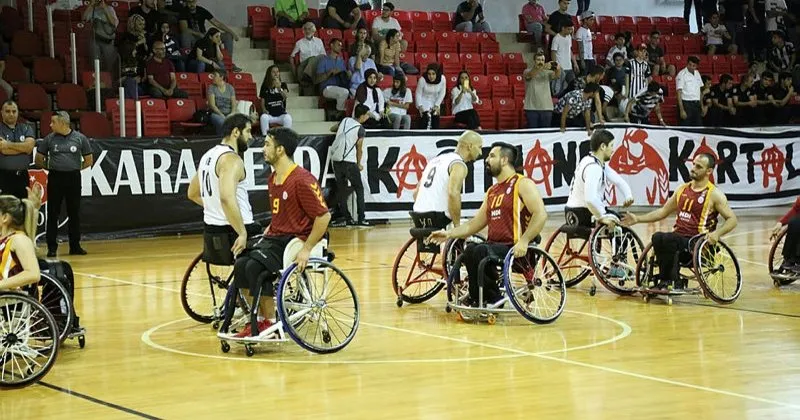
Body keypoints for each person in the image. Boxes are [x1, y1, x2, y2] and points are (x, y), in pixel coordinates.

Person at [226, 127, 331, 337]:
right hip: (277, 237)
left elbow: (324, 216)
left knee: (256, 268)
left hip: (297, 240)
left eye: (267, 145)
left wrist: (307, 248)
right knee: (241, 264)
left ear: (280, 150)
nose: (263, 149)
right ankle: (256, 319)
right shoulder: (273, 179)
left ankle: (270, 323)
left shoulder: (302, 180)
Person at [428, 142, 547, 307]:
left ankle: (493, 299)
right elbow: (475, 223)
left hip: (515, 247)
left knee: (482, 250)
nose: (486, 160)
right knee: (470, 249)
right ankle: (478, 298)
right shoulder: (492, 191)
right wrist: (449, 234)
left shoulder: (522, 183)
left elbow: (540, 214)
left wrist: (525, 240)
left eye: (492, 156)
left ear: (504, 160)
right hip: (495, 246)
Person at [622, 153, 738, 290]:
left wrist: (717, 234)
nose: (693, 168)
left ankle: (672, 281)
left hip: (697, 244)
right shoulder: (682, 189)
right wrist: (637, 219)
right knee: (657, 237)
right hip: (678, 241)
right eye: (693, 164)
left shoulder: (714, 194)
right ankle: (666, 279)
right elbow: (663, 212)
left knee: (670, 239)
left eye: (699, 166)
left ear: (709, 171)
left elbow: (732, 219)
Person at [187, 114, 262, 265]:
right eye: (247, 131)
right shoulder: (231, 160)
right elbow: (227, 198)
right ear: (236, 132)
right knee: (273, 254)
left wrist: (214, 206)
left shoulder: (208, 156)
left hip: (211, 229)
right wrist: (242, 232)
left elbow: (192, 193)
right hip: (234, 229)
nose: (251, 137)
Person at [34, 112, 94, 258]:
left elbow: (88, 160)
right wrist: (53, 167)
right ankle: (52, 247)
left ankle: (75, 246)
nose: (50, 125)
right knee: (53, 213)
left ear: (63, 123)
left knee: (74, 212)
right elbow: (39, 159)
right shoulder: (49, 139)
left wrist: (74, 168)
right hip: (55, 177)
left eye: (53, 122)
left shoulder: (80, 138)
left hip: (73, 178)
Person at [412, 130, 484, 230]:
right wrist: (457, 226)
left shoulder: (435, 160)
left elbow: (416, 192)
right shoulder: (458, 164)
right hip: (438, 217)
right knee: (468, 227)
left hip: (417, 216)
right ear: (470, 146)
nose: (480, 152)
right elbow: (453, 194)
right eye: (479, 147)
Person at [565, 130, 633, 230]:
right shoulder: (594, 168)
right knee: (622, 222)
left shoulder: (589, 160)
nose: (613, 150)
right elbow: (590, 199)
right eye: (611, 145)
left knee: (613, 215)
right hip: (584, 213)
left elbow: (618, 181)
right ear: (603, 147)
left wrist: (628, 195)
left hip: (570, 212)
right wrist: (601, 217)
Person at [329, 104, 371, 228]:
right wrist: (359, 164)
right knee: (359, 189)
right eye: (367, 114)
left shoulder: (345, 120)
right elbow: (359, 149)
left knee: (341, 190)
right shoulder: (360, 129)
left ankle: (347, 219)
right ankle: (361, 218)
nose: (368, 117)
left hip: (336, 160)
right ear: (362, 116)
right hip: (349, 162)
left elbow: (333, 129)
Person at [0, 184, 42, 291]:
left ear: (5, 218)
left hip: (9, 299)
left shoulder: (19, 240)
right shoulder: (4, 238)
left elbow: (33, 274)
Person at [0, 101, 36, 199]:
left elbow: (29, 148)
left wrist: (8, 144)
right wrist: (22, 148)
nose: (11, 114)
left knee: (23, 208)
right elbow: (3, 150)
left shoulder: (26, 128)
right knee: (5, 211)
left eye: (14, 111)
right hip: (4, 177)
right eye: (7, 111)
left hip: (22, 176)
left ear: (17, 113)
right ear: (2, 112)